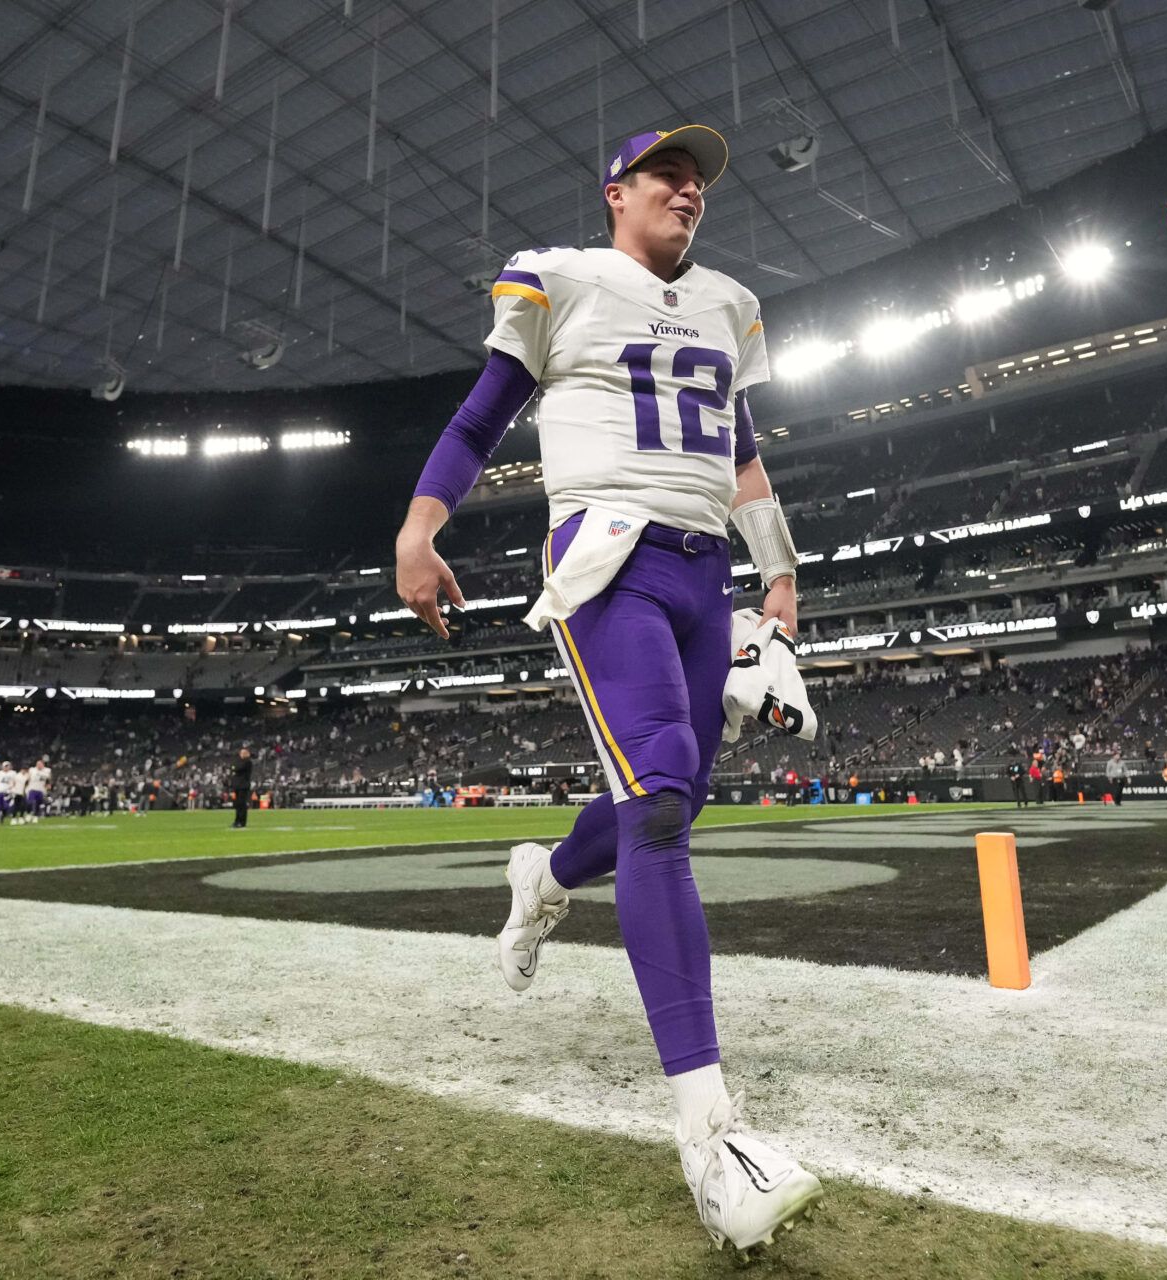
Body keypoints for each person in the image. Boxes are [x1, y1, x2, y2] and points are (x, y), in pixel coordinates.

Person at [392, 124, 821, 1251]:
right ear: (616, 192)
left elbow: (741, 451)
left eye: (701, 179)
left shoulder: (729, 302)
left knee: (657, 802)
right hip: (606, 557)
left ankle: (544, 872)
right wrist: (421, 525)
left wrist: (779, 572)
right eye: (668, 174)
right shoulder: (562, 276)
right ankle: (711, 1137)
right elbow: (482, 414)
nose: (690, 189)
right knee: (667, 805)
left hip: (702, 575)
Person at [231, 748, 253, 829]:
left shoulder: (248, 762)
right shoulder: (239, 761)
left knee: (242, 804)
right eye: (241, 753)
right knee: (237, 804)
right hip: (237, 785)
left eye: (244, 753)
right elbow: (234, 767)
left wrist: (234, 768)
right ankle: (237, 821)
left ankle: (242, 822)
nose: (242, 754)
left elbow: (237, 768)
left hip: (243, 785)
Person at [0, 761, 18, 825]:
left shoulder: (13, 773)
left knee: (5, 807)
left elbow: (16, 781)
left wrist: (13, 787)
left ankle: (2, 819)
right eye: (5, 766)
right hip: (0, 792)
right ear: (3, 767)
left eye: (8, 766)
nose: (7, 767)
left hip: (8, 793)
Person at [25, 758, 52, 823]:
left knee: (38, 804)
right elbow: (27, 779)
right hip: (32, 789)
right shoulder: (32, 770)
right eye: (37, 764)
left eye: (40, 764)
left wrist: (48, 785)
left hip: (41, 790)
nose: (38, 765)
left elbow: (48, 779)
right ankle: (28, 814)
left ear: (43, 765)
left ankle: (35, 817)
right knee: (30, 802)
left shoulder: (47, 770)